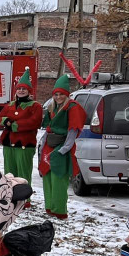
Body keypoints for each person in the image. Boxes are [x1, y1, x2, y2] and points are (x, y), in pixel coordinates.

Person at [39, 74, 88, 220]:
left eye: (61, 94)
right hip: (49, 145)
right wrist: (42, 148)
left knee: (59, 178)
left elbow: (73, 131)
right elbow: (47, 128)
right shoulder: (52, 107)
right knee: (47, 176)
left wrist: (63, 149)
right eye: (56, 94)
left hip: (61, 146)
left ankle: (59, 210)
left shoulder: (72, 108)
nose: (58, 97)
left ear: (66, 95)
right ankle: (49, 207)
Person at [0, 69, 43, 184]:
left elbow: (34, 122)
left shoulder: (35, 106)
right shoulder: (10, 105)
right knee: (9, 175)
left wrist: (13, 125)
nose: (21, 91)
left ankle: (25, 200)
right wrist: (6, 120)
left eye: (24, 89)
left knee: (23, 175)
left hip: (24, 145)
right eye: (19, 88)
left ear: (29, 91)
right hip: (8, 144)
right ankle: (10, 198)